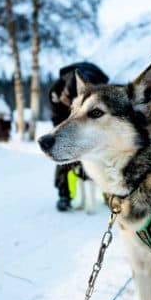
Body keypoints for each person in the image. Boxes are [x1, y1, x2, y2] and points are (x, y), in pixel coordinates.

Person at [49, 62, 109, 211]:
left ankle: (109, 194)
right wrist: (66, 136)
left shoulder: (98, 88)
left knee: (103, 155)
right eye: (66, 98)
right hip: (64, 119)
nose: (66, 100)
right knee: (62, 153)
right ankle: (64, 195)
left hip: (92, 122)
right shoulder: (55, 91)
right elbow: (56, 118)